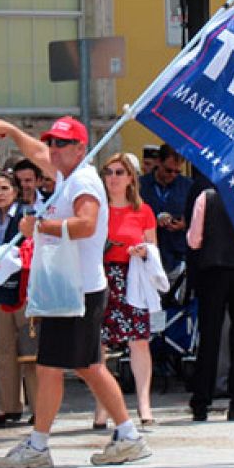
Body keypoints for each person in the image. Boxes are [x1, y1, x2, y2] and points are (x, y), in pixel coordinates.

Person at [0, 116, 151, 468]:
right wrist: (15, 132)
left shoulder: (83, 183)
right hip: (77, 289)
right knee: (88, 365)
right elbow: (38, 152)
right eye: (54, 143)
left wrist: (38, 227)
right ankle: (128, 436)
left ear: (80, 148)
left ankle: (38, 446)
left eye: (63, 143)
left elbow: (86, 224)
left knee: (50, 367)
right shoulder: (67, 174)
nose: (55, 149)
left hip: (76, 292)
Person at [185, 178, 234, 423]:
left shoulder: (206, 197)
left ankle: (201, 402)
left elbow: (194, 240)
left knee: (210, 336)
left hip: (213, 269)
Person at [94, 152, 158, 427]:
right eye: (109, 172)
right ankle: (103, 406)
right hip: (102, 277)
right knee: (99, 345)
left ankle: (144, 405)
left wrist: (142, 251)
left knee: (139, 342)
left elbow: (153, 248)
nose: (113, 178)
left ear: (131, 178)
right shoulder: (97, 209)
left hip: (132, 278)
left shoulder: (143, 211)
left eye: (119, 172)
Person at [0, 171, 36, 428]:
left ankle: (39, 407)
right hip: (1, 290)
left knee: (31, 352)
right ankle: (9, 406)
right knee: (3, 349)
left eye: (4, 188)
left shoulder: (26, 217)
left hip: (25, 290)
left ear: (15, 191)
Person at [140, 144, 194, 270]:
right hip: (148, 255)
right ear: (158, 162)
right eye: (168, 170)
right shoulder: (140, 185)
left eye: (177, 172)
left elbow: (197, 217)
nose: (173, 175)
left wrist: (185, 224)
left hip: (179, 255)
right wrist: (153, 221)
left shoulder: (188, 186)